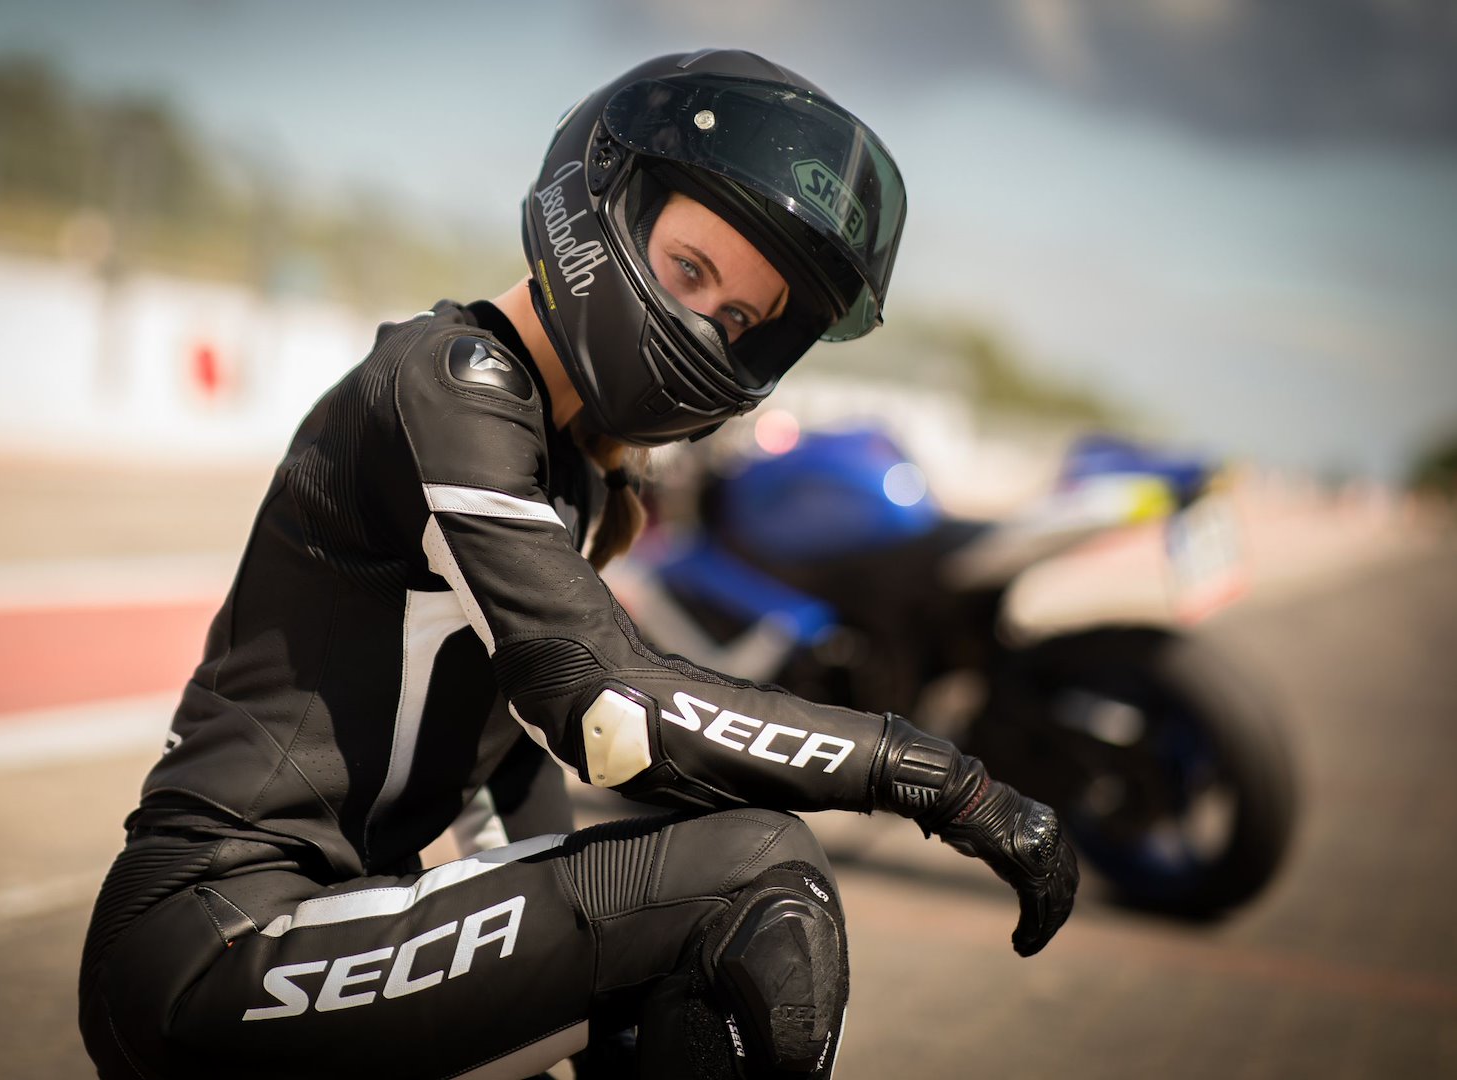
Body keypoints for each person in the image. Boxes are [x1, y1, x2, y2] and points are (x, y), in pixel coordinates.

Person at [77, 48, 1078, 1080]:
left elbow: (502, 774)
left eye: (738, 320)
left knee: (681, 953)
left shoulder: (575, 470)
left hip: (345, 934)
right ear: (601, 206)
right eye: (689, 270)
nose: (705, 326)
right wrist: (925, 773)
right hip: (218, 943)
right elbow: (606, 706)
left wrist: (598, 1011)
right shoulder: (449, 384)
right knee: (754, 872)